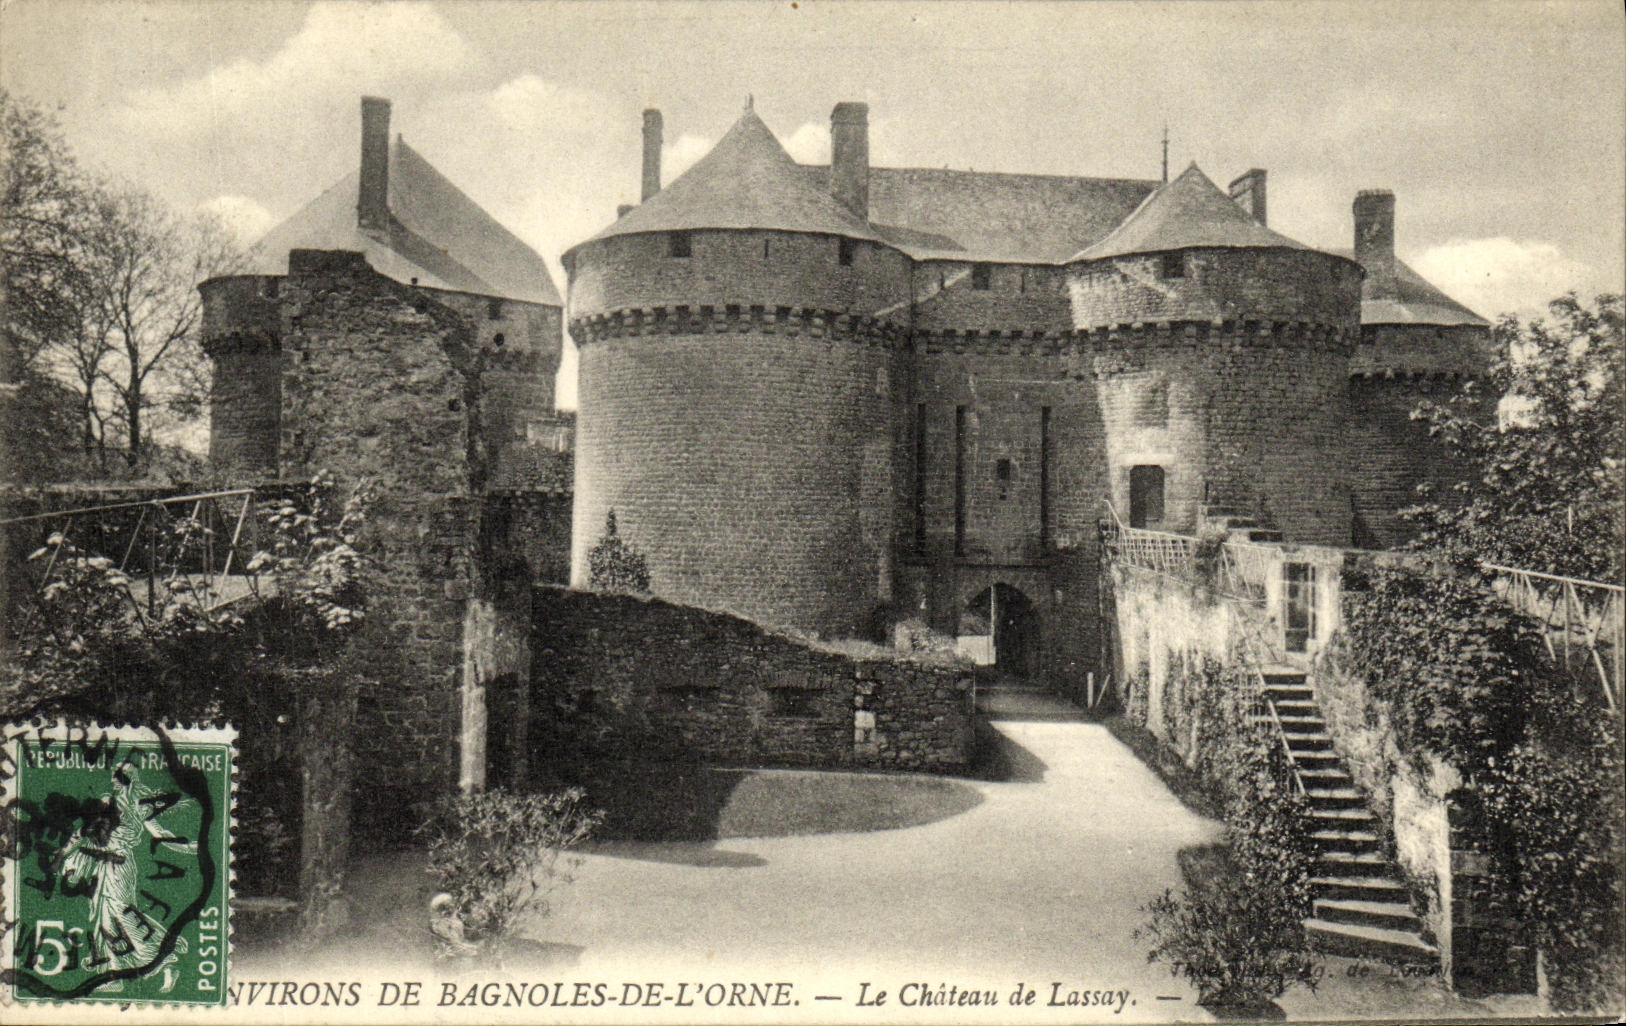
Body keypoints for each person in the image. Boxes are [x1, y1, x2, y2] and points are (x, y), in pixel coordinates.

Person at [52, 765, 195, 993]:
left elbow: (162, 836)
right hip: (101, 866)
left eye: (120, 780)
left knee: (120, 913)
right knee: (102, 919)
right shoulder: (108, 802)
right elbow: (84, 830)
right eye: (114, 779)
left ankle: (167, 959)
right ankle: (115, 974)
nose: (115, 783)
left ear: (131, 781)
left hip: (120, 866)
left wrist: (192, 849)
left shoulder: (140, 806)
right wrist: (62, 853)